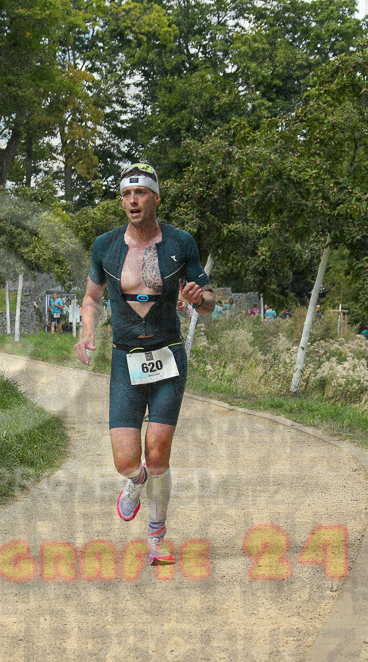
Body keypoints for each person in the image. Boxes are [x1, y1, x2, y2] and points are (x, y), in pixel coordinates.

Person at [73, 163, 214, 566]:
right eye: (126, 194)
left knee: (157, 453)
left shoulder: (181, 242)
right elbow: (92, 297)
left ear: (155, 198)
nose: (133, 200)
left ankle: (157, 537)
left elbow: (208, 303)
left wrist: (198, 297)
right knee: (126, 460)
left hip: (168, 356)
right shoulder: (106, 245)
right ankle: (135, 484)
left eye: (141, 193)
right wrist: (87, 332)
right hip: (125, 359)